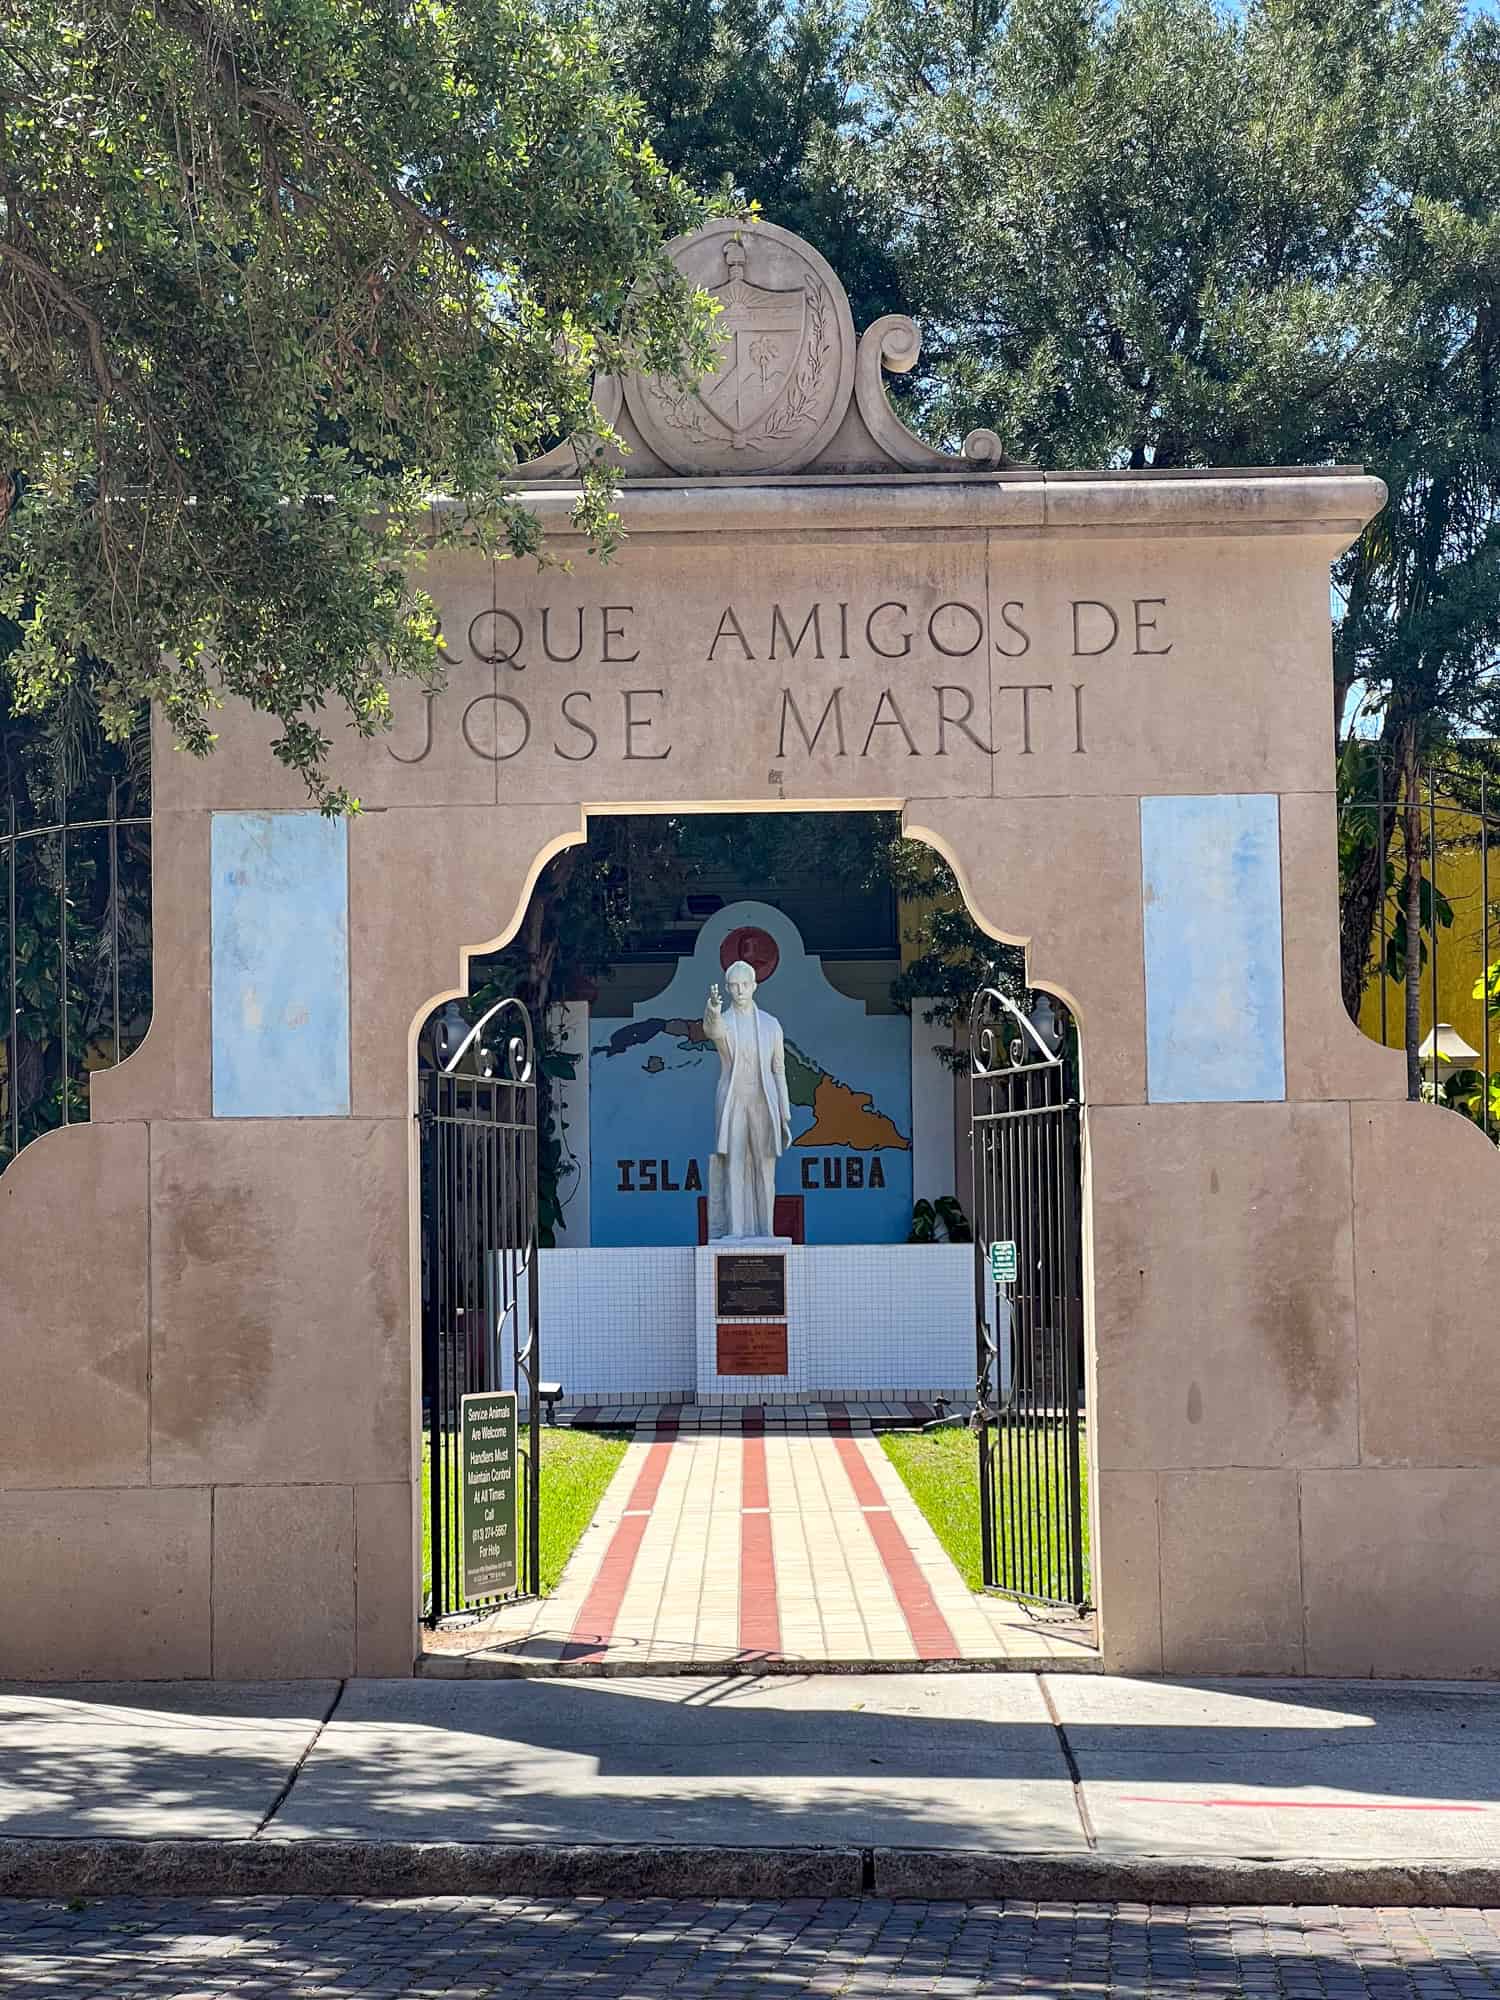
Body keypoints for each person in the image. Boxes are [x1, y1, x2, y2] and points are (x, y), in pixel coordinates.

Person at [703, 959, 792, 1239]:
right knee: (734, 1164)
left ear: (754, 986)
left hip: (763, 1102)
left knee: (766, 1166)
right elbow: (714, 1033)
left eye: (744, 984)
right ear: (728, 989)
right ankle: (736, 1231)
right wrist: (713, 1013)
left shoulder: (770, 1024)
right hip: (734, 1101)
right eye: (734, 986)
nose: (740, 990)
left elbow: (779, 1068)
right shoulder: (725, 1021)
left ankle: (766, 1230)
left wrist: (784, 1112)